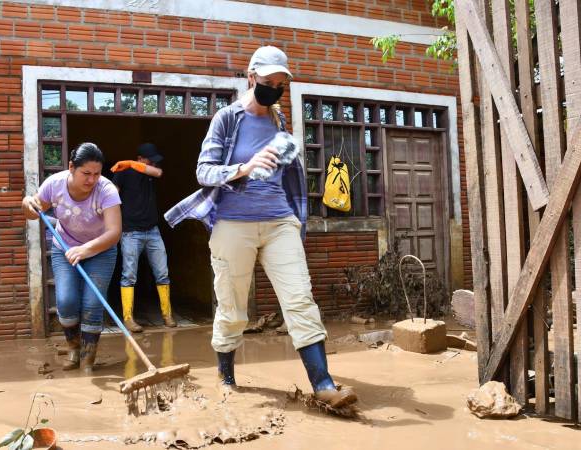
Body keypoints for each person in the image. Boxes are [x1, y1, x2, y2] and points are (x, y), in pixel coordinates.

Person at [165, 46, 358, 408]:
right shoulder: (227, 118)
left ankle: (324, 384)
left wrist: (284, 165)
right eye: (268, 82)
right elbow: (203, 171)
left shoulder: (279, 122)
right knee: (232, 306)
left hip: (278, 221)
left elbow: (285, 174)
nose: (275, 88)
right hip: (233, 225)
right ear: (251, 77)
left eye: (281, 83)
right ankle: (226, 375)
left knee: (300, 298)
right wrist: (244, 167)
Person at [22, 143, 122, 372]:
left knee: (93, 303)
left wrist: (87, 249)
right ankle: (73, 349)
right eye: (86, 173)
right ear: (71, 168)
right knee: (66, 301)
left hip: (100, 250)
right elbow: (33, 212)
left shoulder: (107, 191)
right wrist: (27, 203)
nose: (91, 180)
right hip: (64, 248)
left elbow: (114, 232)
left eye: (96, 174)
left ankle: (88, 359)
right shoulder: (54, 185)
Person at [110, 143, 175, 332]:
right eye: (150, 160)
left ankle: (167, 315)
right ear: (140, 158)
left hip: (153, 231)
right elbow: (112, 196)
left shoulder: (149, 173)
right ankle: (128, 318)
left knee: (162, 273)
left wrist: (130, 162)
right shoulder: (123, 173)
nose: (154, 164)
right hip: (131, 232)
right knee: (129, 275)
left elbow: (159, 173)